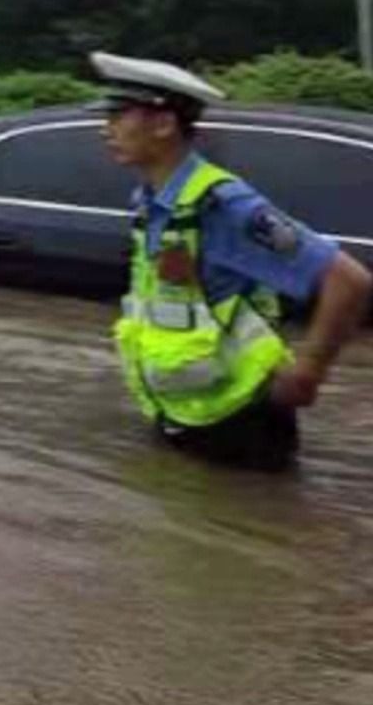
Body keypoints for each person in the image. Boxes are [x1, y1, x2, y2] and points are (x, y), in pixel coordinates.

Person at [93, 51, 370, 471]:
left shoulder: (223, 205)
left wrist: (308, 371)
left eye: (119, 115)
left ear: (165, 124)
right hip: (183, 412)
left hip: (240, 423)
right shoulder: (151, 200)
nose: (105, 128)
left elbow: (349, 281)